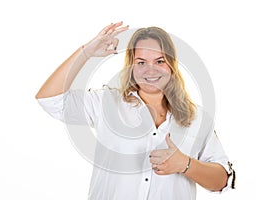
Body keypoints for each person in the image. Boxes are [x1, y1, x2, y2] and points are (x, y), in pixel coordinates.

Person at [35, 21, 235, 200]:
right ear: (131, 66)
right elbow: (49, 99)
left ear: (172, 65)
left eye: (160, 61)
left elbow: (222, 181)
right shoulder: (106, 102)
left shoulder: (197, 118)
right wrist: (86, 52)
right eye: (141, 62)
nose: (151, 70)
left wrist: (185, 164)